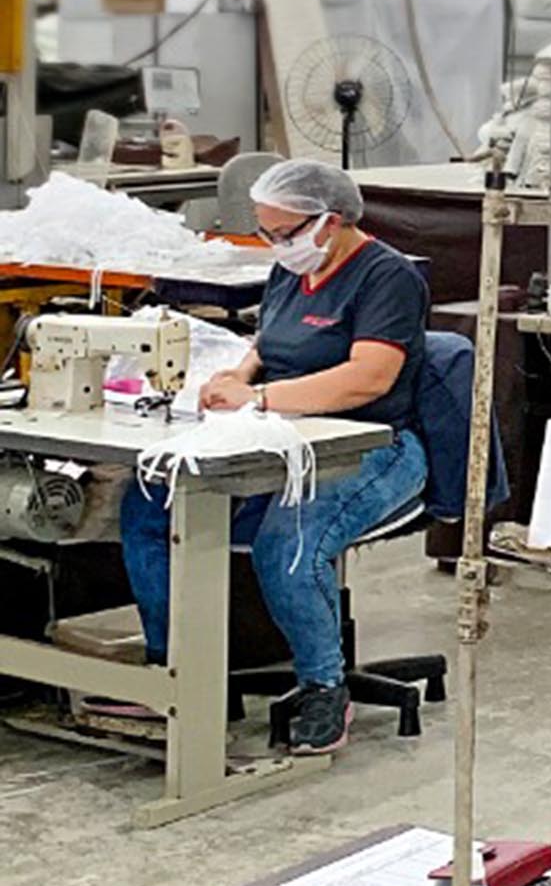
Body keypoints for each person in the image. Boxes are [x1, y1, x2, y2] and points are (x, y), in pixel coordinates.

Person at [113, 159, 429, 754]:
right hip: (280, 437)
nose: (275, 246)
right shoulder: (292, 269)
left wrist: (256, 398)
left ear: (329, 223)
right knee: (151, 502)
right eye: (268, 234)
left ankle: (323, 688)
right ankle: (171, 673)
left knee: (288, 543)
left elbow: (369, 379)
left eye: (284, 234)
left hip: (370, 446)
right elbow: (267, 342)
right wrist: (235, 373)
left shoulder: (387, 277)